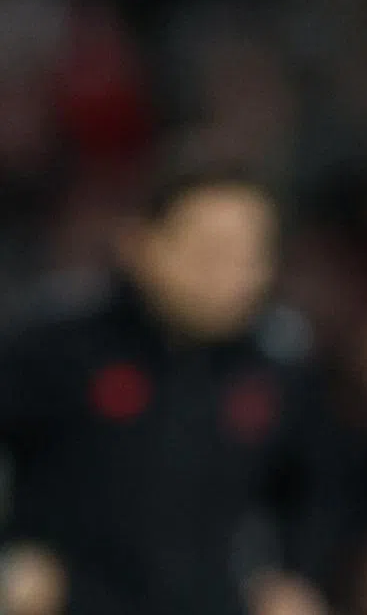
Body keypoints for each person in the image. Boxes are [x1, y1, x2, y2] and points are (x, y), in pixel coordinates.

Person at [0, 152, 344, 615]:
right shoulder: (56, 346)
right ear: (140, 244)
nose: (231, 274)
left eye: (251, 253)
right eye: (210, 250)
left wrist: (295, 576)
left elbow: (316, 489)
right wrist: (12, 555)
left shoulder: (279, 364)